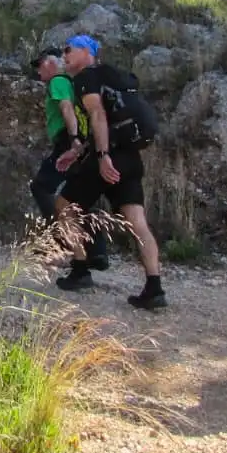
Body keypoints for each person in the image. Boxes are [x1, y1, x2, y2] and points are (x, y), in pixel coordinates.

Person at [52, 36, 166, 310]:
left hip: (109, 157)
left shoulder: (85, 78)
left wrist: (102, 157)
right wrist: (79, 151)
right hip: (130, 157)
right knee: (137, 221)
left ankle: (80, 270)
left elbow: (98, 116)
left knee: (62, 204)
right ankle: (155, 288)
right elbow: (115, 122)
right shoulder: (115, 77)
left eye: (68, 50)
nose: (63, 55)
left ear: (86, 52)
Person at [29, 48, 109, 269]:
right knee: (79, 197)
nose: (38, 71)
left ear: (53, 63)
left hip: (69, 142)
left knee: (41, 187)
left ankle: (58, 244)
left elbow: (66, 108)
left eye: (41, 64)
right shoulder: (75, 84)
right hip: (84, 143)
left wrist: (72, 138)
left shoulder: (58, 82)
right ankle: (97, 252)